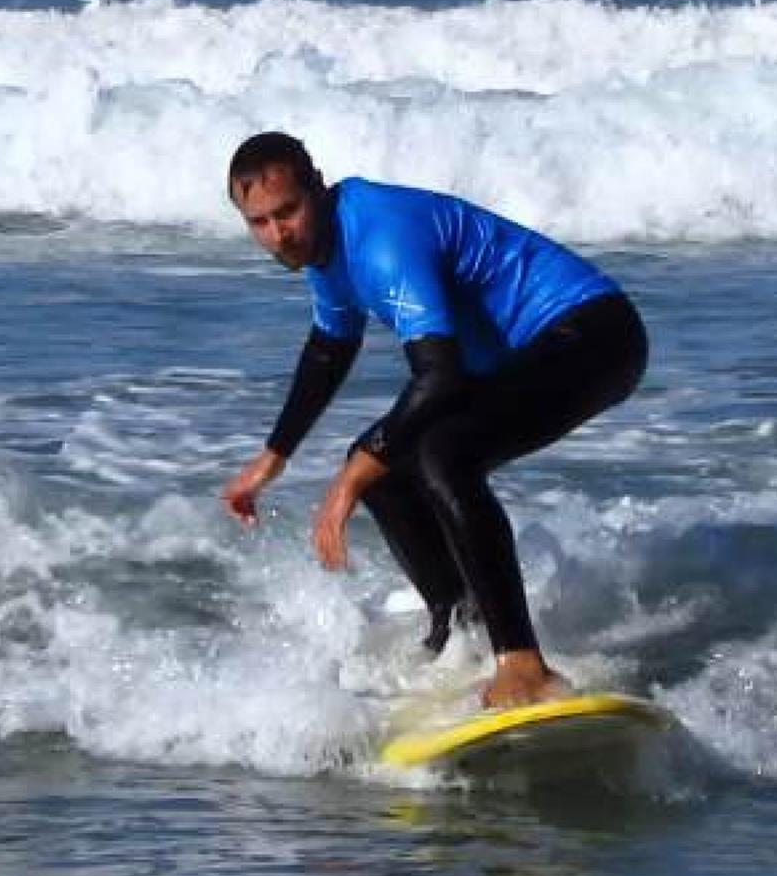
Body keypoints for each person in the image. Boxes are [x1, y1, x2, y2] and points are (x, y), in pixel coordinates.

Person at [220, 132, 648, 709]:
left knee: (443, 453)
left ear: (316, 189)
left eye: (288, 211)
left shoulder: (380, 237)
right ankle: (462, 633)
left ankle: (523, 665)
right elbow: (328, 349)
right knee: (391, 471)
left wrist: (349, 479)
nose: (279, 233)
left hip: (592, 335)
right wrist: (272, 460)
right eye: (260, 222)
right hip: (526, 354)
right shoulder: (324, 252)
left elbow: (439, 375)